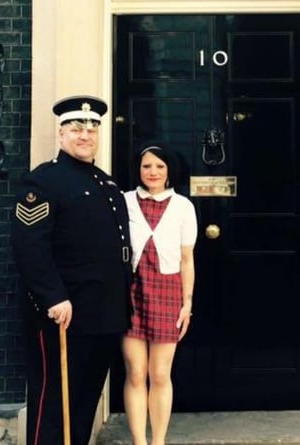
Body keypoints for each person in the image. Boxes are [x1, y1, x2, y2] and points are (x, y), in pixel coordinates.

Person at [11, 95, 132, 445]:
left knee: (84, 401)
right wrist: (53, 297)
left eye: (92, 128)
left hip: (104, 313)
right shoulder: (44, 182)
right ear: (61, 132)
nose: (85, 135)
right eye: (77, 128)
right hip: (64, 313)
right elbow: (29, 247)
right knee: (54, 402)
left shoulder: (106, 184)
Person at [122, 144, 198, 445]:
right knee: (136, 372)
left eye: (159, 167)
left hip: (167, 292)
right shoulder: (124, 202)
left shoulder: (183, 207)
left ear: (169, 172)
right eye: (146, 166)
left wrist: (187, 303)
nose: (152, 172)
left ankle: (159, 441)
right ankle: (139, 441)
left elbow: (187, 259)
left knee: (160, 373)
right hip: (130, 292)